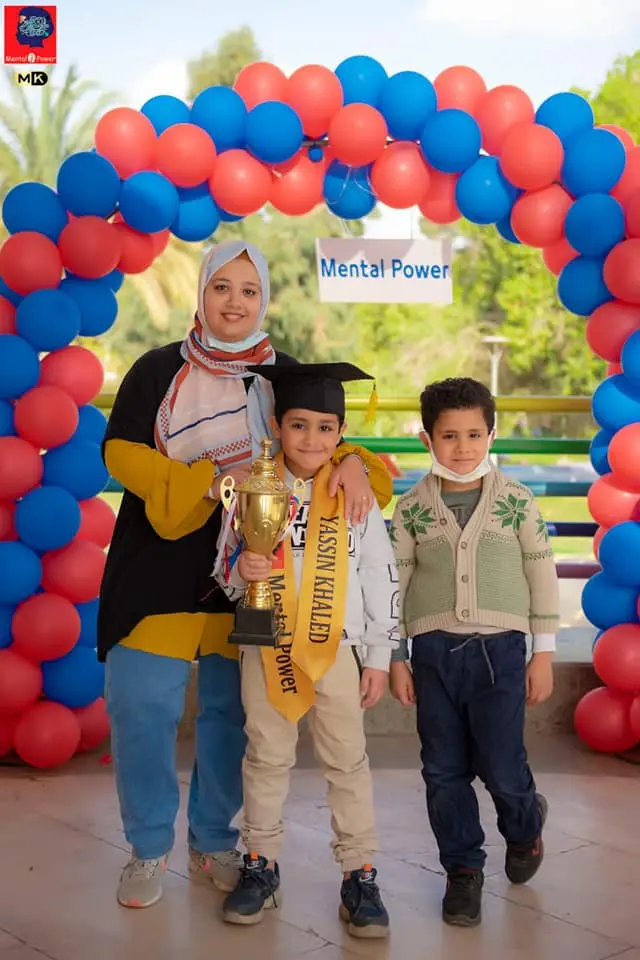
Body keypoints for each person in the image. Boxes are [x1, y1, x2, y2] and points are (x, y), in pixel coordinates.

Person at [98, 240, 392, 910]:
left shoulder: (282, 374)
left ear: (265, 299)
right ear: (202, 292)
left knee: (236, 716)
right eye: (222, 287)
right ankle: (148, 846)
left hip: (258, 582)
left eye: (249, 290)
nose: (234, 302)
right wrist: (208, 480)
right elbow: (121, 453)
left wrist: (353, 462)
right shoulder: (158, 370)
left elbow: (319, 441)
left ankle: (215, 840)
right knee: (142, 705)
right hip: (159, 564)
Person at [215, 361, 399, 939]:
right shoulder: (254, 489)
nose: (312, 439)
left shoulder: (353, 492)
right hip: (266, 643)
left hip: (336, 648)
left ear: (341, 433)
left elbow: (379, 574)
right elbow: (224, 568)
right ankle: (260, 863)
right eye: (298, 425)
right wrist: (242, 571)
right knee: (266, 755)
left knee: (347, 760)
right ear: (277, 425)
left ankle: (359, 872)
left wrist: (379, 656)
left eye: (326, 428)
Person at [388, 378, 559, 929]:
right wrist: (396, 654)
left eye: (474, 434)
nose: (462, 447)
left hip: (501, 653)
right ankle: (462, 870)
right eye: (449, 436)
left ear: (491, 434)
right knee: (443, 769)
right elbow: (395, 583)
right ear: (426, 440)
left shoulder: (515, 501)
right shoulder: (411, 509)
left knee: (502, 765)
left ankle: (525, 826)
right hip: (433, 654)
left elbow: (541, 573)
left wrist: (543, 652)